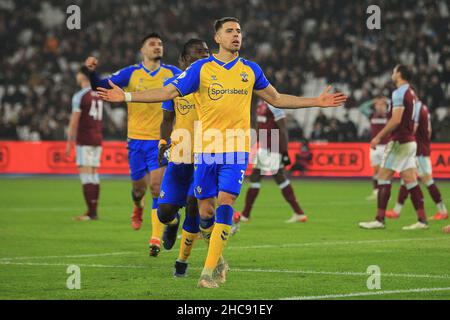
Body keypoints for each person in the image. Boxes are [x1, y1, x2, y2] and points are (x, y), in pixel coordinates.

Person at [96, 17, 347, 288]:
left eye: (239, 31)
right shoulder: (202, 69)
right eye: (229, 31)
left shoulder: (250, 70)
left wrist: (316, 102)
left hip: (236, 148)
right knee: (205, 213)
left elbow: (276, 98)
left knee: (226, 201)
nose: (236, 35)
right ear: (217, 38)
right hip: (206, 151)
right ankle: (217, 258)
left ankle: (207, 273)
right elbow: (168, 90)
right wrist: (128, 97)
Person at [85, 32, 182, 257]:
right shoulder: (131, 73)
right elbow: (100, 85)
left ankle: (155, 237)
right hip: (136, 140)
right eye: (152, 44)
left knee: (157, 188)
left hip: (161, 140)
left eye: (160, 43)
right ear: (143, 50)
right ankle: (137, 207)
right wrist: (91, 72)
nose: (157, 47)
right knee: (139, 189)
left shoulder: (173, 73)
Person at [155, 39, 214, 277]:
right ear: (183, 60)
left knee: (193, 206)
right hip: (180, 156)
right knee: (165, 212)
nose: (203, 57)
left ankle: (182, 262)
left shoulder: (214, 85)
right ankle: (171, 223)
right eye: (197, 54)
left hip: (206, 156)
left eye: (206, 53)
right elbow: (167, 120)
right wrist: (162, 143)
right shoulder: (173, 86)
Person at [359, 65, 428, 230]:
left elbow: (396, 120)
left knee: (382, 177)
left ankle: (379, 219)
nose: (392, 74)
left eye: (394, 71)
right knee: (410, 181)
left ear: (399, 74)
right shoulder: (411, 93)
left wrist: (378, 136)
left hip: (400, 142)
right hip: (410, 141)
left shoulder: (399, 93)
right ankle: (422, 220)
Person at [236, 99, 308, 223]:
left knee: (273, 177)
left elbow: (283, 128)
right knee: (261, 177)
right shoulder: (260, 104)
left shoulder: (275, 105)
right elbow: (260, 127)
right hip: (264, 147)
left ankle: (246, 215)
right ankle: (298, 213)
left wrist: (285, 152)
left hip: (274, 147)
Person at [386, 100, 448, 220]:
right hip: (418, 150)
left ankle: (443, 211)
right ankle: (396, 211)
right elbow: (428, 131)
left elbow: (412, 129)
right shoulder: (422, 108)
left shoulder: (416, 108)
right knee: (406, 180)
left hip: (419, 152)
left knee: (428, 181)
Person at [66, 66, 103, 221]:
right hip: (97, 138)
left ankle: (91, 213)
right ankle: (93, 211)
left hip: (85, 139)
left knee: (86, 175)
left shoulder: (80, 95)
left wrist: (69, 143)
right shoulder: (98, 93)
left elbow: (74, 122)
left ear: (82, 76)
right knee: (94, 174)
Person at [358, 96, 389, 200]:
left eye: (382, 105)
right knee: (375, 171)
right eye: (378, 105)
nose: (380, 107)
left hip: (386, 146)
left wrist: (387, 100)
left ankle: (385, 192)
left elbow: (399, 107)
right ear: (375, 106)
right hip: (374, 147)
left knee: (384, 171)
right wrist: (372, 101)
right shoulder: (372, 115)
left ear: (386, 106)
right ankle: (376, 192)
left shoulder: (390, 116)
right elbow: (361, 108)